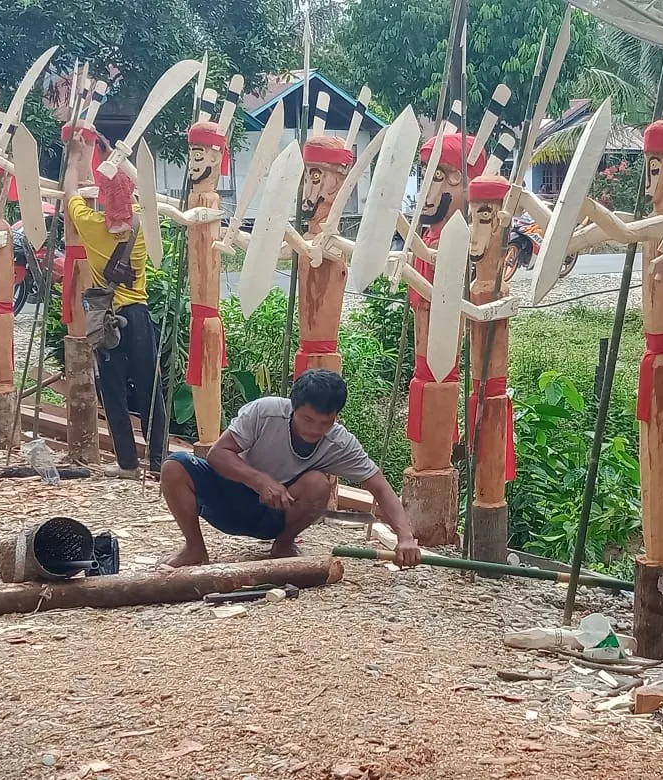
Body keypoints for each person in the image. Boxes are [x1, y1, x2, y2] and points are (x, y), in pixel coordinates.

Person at [161, 369, 422, 568]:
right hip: (228, 501)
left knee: (319, 483)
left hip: (276, 514)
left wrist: (405, 537)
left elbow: (380, 486)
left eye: (325, 423)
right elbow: (218, 454)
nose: (314, 429)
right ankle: (195, 549)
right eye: (307, 419)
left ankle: (284, 544)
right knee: (174, 467)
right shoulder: (264, 412)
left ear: (336, 418)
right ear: (292, 407)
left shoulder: (340, 442)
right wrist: (260, 481)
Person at [64, 133, 168, 478]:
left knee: (113, 392)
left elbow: (71, 194)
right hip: (138, 316)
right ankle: (158, 461)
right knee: (152, 392)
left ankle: (127, 463)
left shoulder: (93, 226)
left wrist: (79, 156)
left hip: (107, 319)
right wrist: (112, 156)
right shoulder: (140, 222)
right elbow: (135, 190)